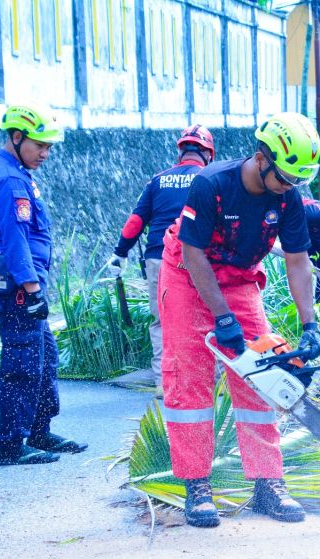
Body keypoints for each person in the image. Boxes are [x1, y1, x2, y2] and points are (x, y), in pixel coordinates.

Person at [158, 112, 320, 528]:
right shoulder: (212, 185)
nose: (288, 187)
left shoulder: (285, 198)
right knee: (190, 377)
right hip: (186, 276)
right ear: (261, 157)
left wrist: (310, 323)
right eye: (284, 177)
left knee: (259, 374)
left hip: (239, 279)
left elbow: (299, 259)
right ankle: (197, 484)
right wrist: (222, 319)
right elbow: (192, 253)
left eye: (295, 181)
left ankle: (268, 482)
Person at [0, 104, 88, 466]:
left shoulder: (14, 172)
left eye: (49, 146)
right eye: (40, 145)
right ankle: (11, 444)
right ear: (16, 137)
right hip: (17, 284)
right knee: (22, 363)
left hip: (21, 281)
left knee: (45, 357)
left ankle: (38, 431)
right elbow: (14, 239)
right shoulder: (10, 180)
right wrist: (32, 288)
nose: (46, 153)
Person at [108, 125, 215, 397]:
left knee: (163, 320)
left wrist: (121, 253)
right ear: (208, 153)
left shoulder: (157, 180)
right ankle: (210, 382)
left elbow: (136, 221)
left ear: (181, 151)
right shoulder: (210, 178)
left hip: (159, 257)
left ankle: (164, 383)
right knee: (208, 315)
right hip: (201, 257)